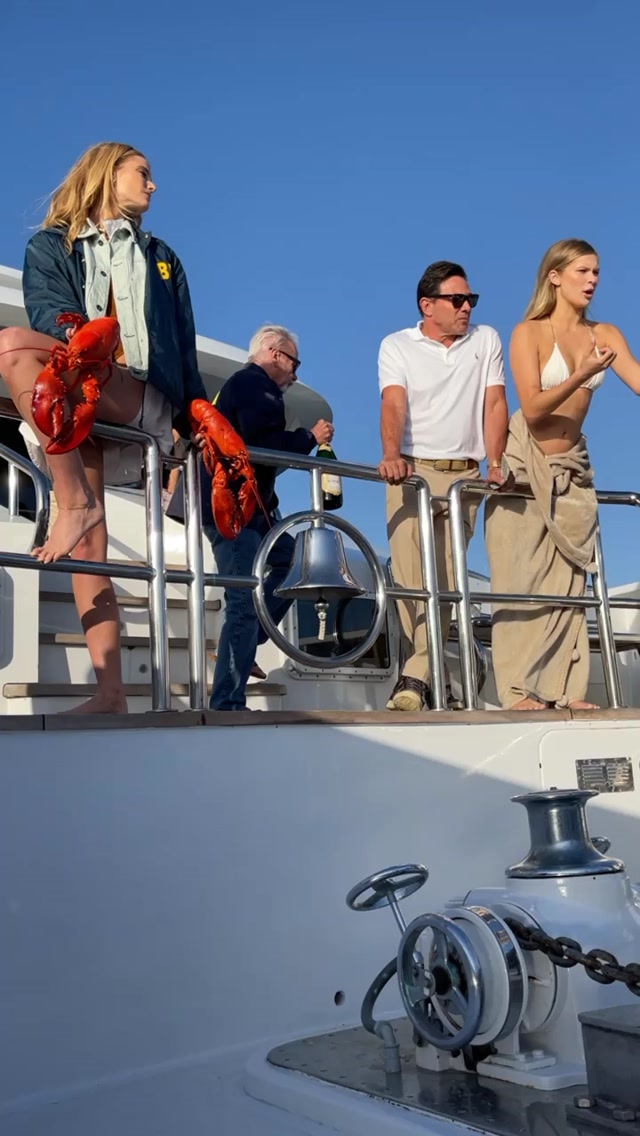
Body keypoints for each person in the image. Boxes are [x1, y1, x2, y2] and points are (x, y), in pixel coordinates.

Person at [0, 142, 207, 713]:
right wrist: (78, 341)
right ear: (106, 174)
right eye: (143, 173)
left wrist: (192, 419)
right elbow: (49, 311)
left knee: (13, 346)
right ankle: (110, 692)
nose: (153, 185)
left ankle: (73, 504)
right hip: (76, 388)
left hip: (135, 393)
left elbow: (183, 342)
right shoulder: (51, 245)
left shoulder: (161, 256)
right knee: (91, 546)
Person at [486, 238, 640, 711]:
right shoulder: (528, 332)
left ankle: (565, 691)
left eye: (596, 272)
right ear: (554, 277)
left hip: (572, 465)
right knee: (521, 579)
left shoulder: (604, 333)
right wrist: (580, 373)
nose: (592, 281)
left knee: (570, 583)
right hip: (524, 460)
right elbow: (533, 408)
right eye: (582, 272)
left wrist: (592, 366)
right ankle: (518, 692)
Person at [178, 324, 334, 711]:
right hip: (234, 509)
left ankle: (252, 637)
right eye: (294, 362)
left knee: (295, 561)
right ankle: (227, 703)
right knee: (243, 599)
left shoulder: (241, 385)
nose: (295, 373)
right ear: (275, 354)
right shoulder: (255, 384)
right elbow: (261, 445)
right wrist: (309, 437)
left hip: (251, 507)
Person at [378, 260, 511, 712]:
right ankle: (427, 676)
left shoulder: (486, 339)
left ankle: (415, 678)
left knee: (449, 581)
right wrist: (391, 454)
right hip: (411, 471)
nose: (466, 307)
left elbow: (495, 403)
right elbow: (393, 404)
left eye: (470, 299)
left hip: (465, 477)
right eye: (457, 300)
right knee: (412, 581)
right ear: (427, 305)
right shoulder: (397, 345)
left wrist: (496, 461)